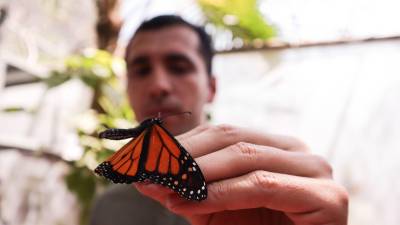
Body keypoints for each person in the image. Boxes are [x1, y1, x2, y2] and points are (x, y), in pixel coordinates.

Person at [90, 15, 348, 225]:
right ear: (127, 89)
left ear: (211, 88)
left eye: (179, 67)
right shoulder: (110, 208)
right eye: (142, 70)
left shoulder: (266, 188)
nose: (158, 85)